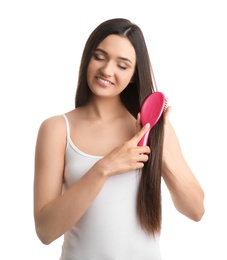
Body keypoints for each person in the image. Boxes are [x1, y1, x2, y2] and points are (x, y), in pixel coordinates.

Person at [33, 18, 205, 259]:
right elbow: (45, 231)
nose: (106, 70)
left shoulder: (152, 129)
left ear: (134, 74)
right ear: (87, 59)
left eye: (122, 66)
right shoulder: (57, 129)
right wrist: (103, 168)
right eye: (99, 57)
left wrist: (157, 139)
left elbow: (196, 210)